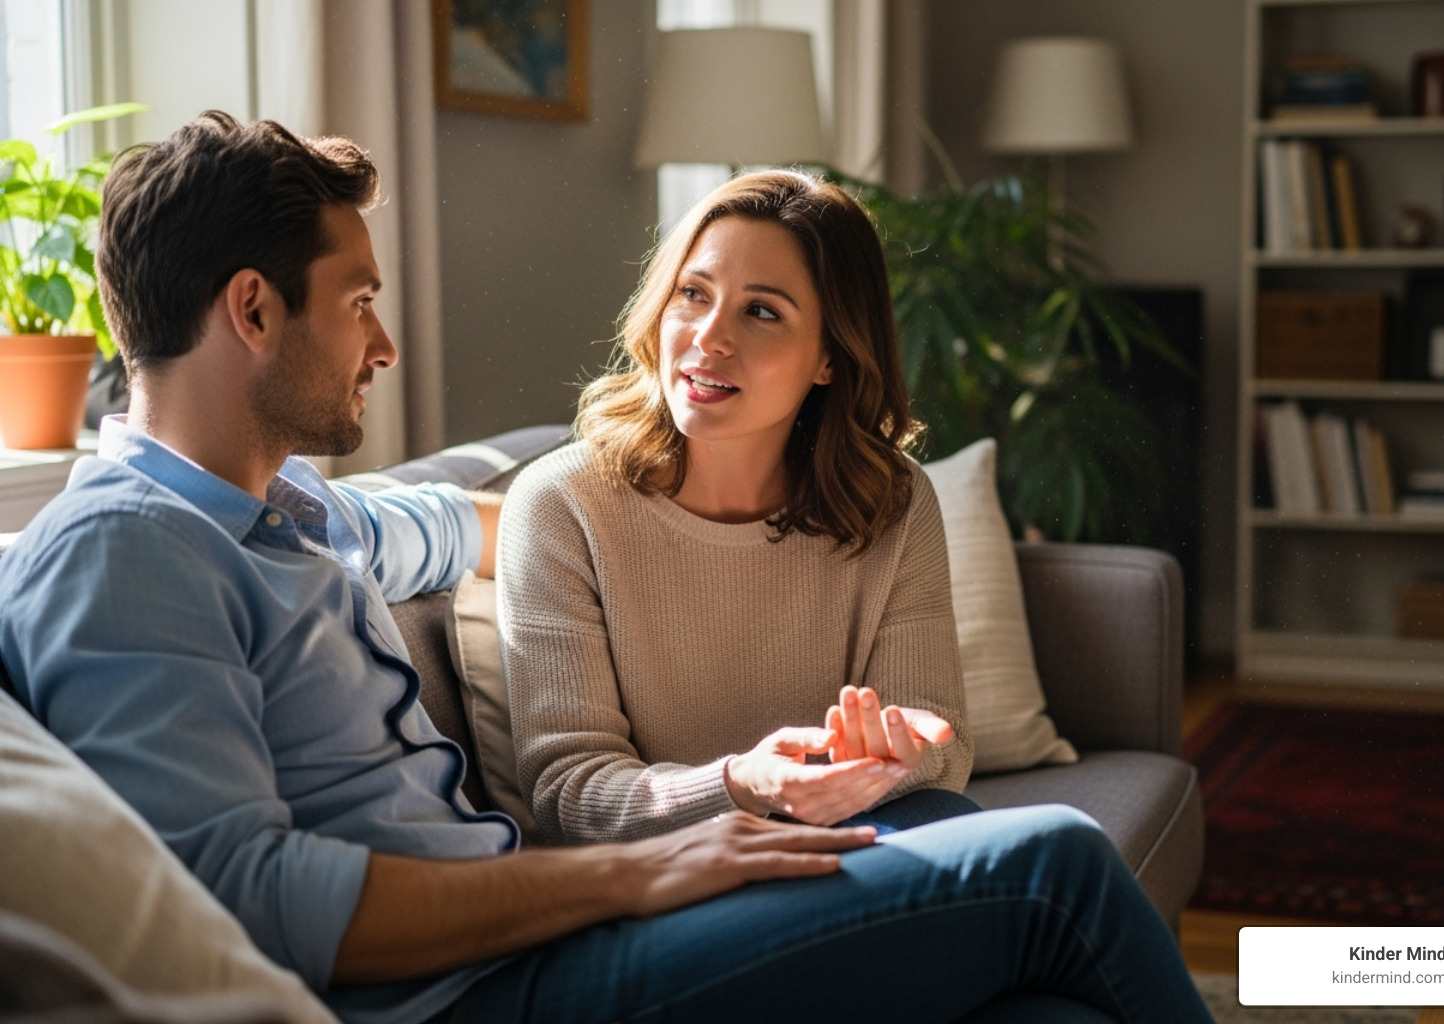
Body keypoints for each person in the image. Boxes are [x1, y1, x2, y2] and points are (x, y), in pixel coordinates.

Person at [0, 111, 1216, 1024]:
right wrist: (640, 872)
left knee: (1042, 1005)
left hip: (527, 939)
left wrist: (562, 525)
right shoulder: (128, 557)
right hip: (471, 998)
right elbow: (255, 898)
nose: (383, 343)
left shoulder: (297, 510)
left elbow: (467, 520)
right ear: (254, 311)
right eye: (359, 300)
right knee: (1052, 860)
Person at [497, 171, 980, 844]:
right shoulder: (562, 505)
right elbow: (568, 792)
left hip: (860, 837)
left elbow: (941, 745)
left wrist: (879, 757)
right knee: (1054, 864)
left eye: (762, 312)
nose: (708, 337)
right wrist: (743, 785)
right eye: (692, 294)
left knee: (1022, 850)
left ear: (830, 358)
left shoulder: (892, 502)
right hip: (665, 877)